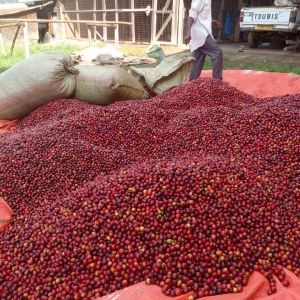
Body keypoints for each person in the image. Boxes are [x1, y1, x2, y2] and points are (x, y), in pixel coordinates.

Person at [184, 0, 223, 81]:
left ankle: (192, 82)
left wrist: (210, 22)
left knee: (198, 57)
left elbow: (200, 15)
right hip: (200, 33)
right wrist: (188, 33)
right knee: (217, 52)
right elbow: (192, 15)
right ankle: (217, 82)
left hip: (201, 33)